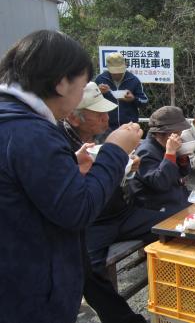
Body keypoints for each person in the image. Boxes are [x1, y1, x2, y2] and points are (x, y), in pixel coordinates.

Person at [0, 30, 142, 323]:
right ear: (62, 82)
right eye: (82, 84)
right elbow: (78, 210)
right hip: (30, 293)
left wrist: (67, 164)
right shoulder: (31, 131)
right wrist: (115, 150)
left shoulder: (12, 121)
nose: (82, 93)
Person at [60, 82, 169, 323]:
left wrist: (129, 168)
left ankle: (173, 293)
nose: (105, 117)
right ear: (73, 118)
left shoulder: (104, 136)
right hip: (92, 222)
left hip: (123, 212)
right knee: (90, 273)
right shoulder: (59, 143)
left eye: (106, 111)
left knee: (172, 225)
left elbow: (116, 179)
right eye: (97, 113)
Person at [129, 106, 191, 214]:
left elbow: (182, 173)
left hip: (177, 201)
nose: (179, 136)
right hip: (156, 208)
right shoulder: (145, 152)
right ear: (159, 133)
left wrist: (183, 159)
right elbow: (160, 183)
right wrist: (170, 154)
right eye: (176, 133)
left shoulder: (166, 145)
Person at [95, 52, 148, 130]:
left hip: (129, 127)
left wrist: (133, 99)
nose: (117, 75)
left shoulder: (133, 80)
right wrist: (98, 92)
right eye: (114, 73)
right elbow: (90, 101)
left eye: (119, 72)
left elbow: (145, 102)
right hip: (106, 127)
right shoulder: (100, 79)